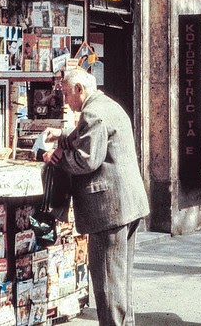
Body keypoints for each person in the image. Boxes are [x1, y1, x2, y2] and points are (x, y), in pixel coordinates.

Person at [42, 68, 149, 326]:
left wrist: (56, 158)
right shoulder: (108, 105)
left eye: (67, 94)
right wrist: (64, 134)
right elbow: (96, 137)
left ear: (80, 88)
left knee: (107, 284)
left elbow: (86, 159)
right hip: (127, 205)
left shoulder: (93, 113)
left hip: (108, 209)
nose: (66, 101)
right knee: (121, 280)